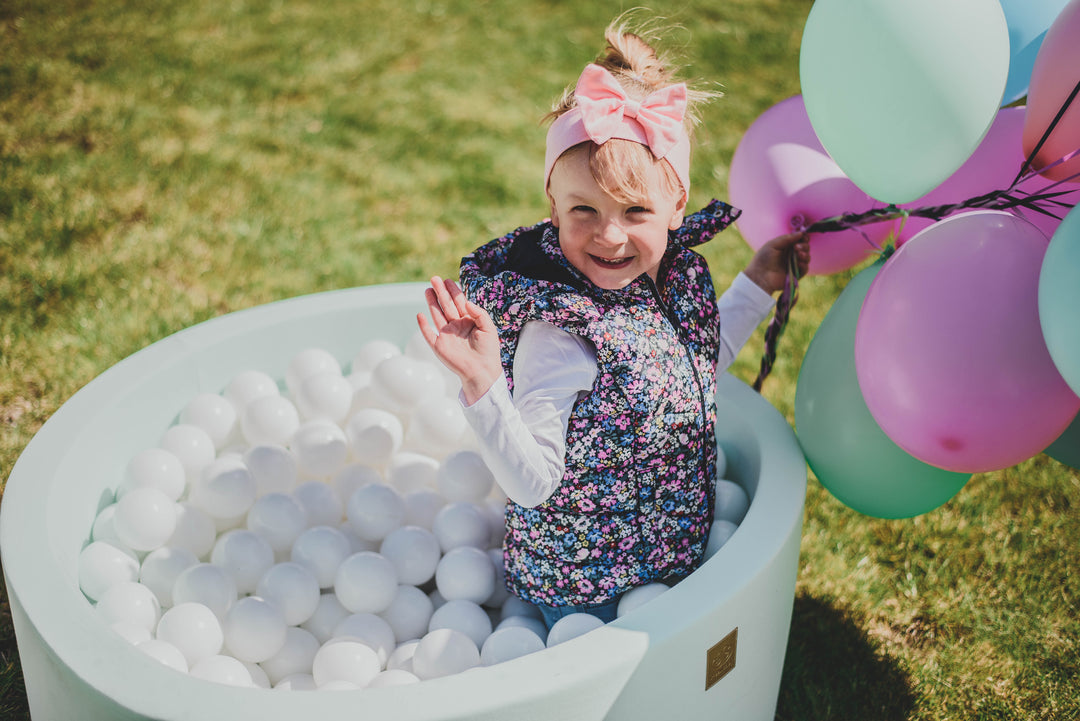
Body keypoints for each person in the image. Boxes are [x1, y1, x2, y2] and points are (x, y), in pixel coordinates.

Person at [416, 17, 809, 629]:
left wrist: (757, 282)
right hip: (587, 587)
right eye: (583, 211)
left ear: (677, 204)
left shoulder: (668, 280)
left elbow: (692, 363)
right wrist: (485, 384)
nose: (609, 235)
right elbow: (532, 482)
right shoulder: (562, 329)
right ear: (552, 203)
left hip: (666, 552)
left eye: (635, 210)